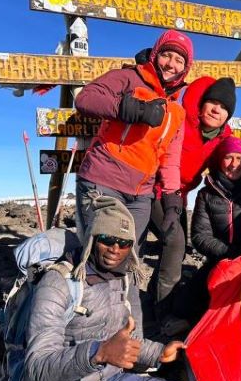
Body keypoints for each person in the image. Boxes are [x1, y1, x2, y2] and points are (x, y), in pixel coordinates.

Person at [24, 195, 215, 381]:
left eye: (124, 243)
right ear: (91, 239)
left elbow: (127, 341)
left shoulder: (123, 280)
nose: (115, 249)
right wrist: (97, 353)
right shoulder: (58, 284)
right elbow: (37, 366)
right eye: (107, 239)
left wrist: (158, 353)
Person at [73, 29, 193, 246]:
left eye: (179, 60)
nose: (170, 64)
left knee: (130, 259)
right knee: (101, 257)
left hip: (141, 195)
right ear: (156, 55)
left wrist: (173, 200)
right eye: (166, 55)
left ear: (186, 68)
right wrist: (129, 108)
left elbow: (170, 160)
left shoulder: (177, 112)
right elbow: (86, 98)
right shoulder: (129, 78)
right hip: (103, 181)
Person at [149, 76, 237, 331]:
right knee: (174, 242)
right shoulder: (181, 118)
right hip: (151, 187)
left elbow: (230, 165)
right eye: (213, 103)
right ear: (202, 104)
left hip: (178, 195)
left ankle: (159, 303)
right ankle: (162, 314)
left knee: (175, 247)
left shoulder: (220, 139)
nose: (216, 110)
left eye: (224, 108)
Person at [183, 136, 241, 324]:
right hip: (220, 261)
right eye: (228, 157)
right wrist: (230, 254)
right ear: (219, 160)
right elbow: (200, 236)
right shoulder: (206, 194)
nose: (234, 164)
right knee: (184, 305)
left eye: (240, 158)